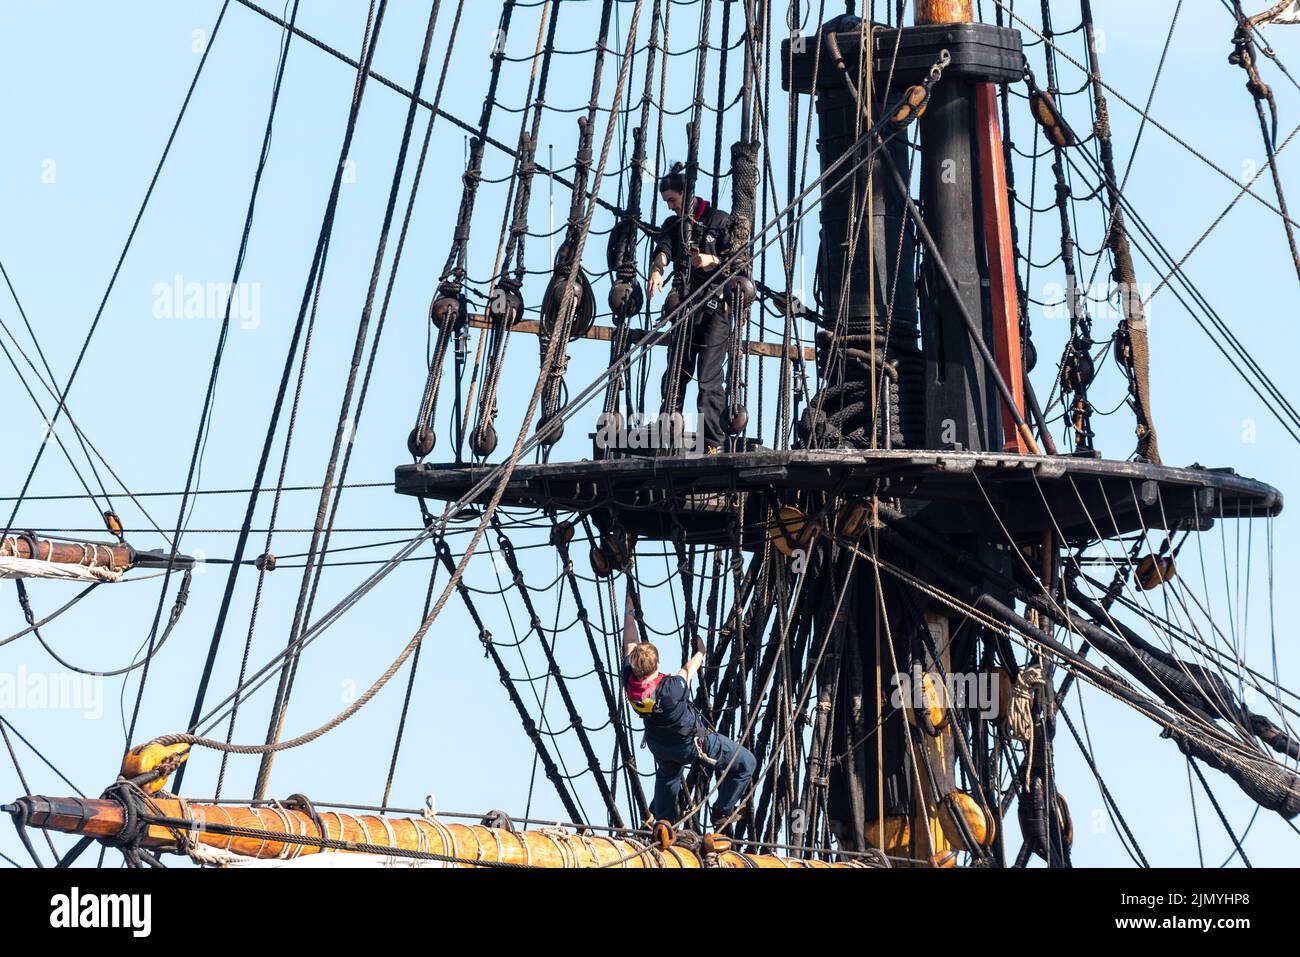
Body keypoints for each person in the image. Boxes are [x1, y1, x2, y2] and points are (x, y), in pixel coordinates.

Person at [621, 583, 755, 831]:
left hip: (659, 744)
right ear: (657, 664)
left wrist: (629, 609)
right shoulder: (671, 689)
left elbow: (629, 642)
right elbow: (689, 669)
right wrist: (701, 651)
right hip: (692, 744)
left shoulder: (630, 682)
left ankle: (663, 822)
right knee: (746, 762)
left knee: (667, 776)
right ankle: (722, 812)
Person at [648, 163, 734, 455]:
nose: (671, 207)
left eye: (672, 200)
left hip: (716, 308)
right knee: (676, 373)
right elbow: (664, 249)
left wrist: (711, 262)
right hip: (687, 308)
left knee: (708, 378)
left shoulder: (719, 220)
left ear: (686, 194)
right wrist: (657, 270)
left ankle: (712, 444)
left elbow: (739, 264)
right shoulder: (674, 226)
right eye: (667, 203)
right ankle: (667, 437)